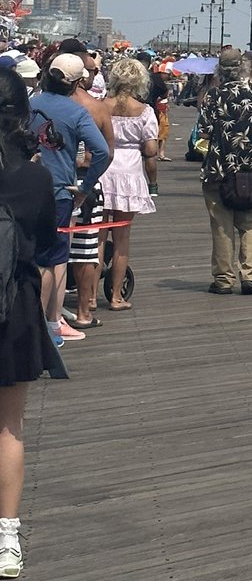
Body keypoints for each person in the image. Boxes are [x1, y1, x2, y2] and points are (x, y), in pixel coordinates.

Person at [0, 69, 67, 578]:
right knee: (9, 428)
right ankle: (7, 542)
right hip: (14, 304)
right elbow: (47, 243)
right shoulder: (36, 176)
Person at [29, 54, 111, 347]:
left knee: (32, 256)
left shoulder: (30, 103)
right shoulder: (76, 112)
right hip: (60, 192)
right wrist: (86, 188)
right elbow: (102, 152)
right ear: (76, 83)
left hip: (26, 187)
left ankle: (39, 322)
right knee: (54, 259)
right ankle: (48, 325)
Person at [198, 48, 252, 294]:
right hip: (250, 167)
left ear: (219, 70)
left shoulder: (213, 96)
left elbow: (204, 131)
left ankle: (223, 279)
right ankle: (249, 275)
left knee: (222, 225)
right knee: (251, 223)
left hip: (218, 168)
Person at [100, 58, 159, 310]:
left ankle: (89, 296)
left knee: (98, 237)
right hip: (129, 173)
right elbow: (150, 149)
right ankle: (115, 296)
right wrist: (153, 182)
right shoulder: (144, 111)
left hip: (103, 172)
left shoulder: (101, 106)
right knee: (122, 239)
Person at [68, 56, 116, 329]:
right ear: (83, 78)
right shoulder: (95, 108)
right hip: (86, 182)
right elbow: (106, 152)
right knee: (86, 251)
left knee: (52, 250)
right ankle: (85, 310)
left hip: (51, 181)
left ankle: (49, 313)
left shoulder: (40, 104)